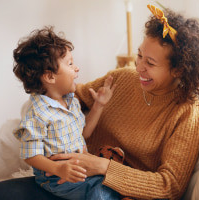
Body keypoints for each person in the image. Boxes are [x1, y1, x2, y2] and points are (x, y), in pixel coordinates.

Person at [0, 5, 199, 200]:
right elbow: (71, 98)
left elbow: (170, 186)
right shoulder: (123, 79)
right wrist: (54, 158)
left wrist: (101, 167)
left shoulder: (188, 113)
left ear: (178, 69)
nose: (139, 68)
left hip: (109, 190)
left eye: (150, 63)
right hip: (66, 178)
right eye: (139, 56)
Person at [11, 26, 122, 200]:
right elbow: (30, 155)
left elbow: (84, 133)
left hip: (79, 166)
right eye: (70, 63)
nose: (77, 68)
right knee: (101, 192)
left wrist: (99, 105)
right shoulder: (37, 113)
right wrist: (58, 169)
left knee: (115, 182)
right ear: (50, 77)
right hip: (55, 178)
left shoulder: (71, 100)